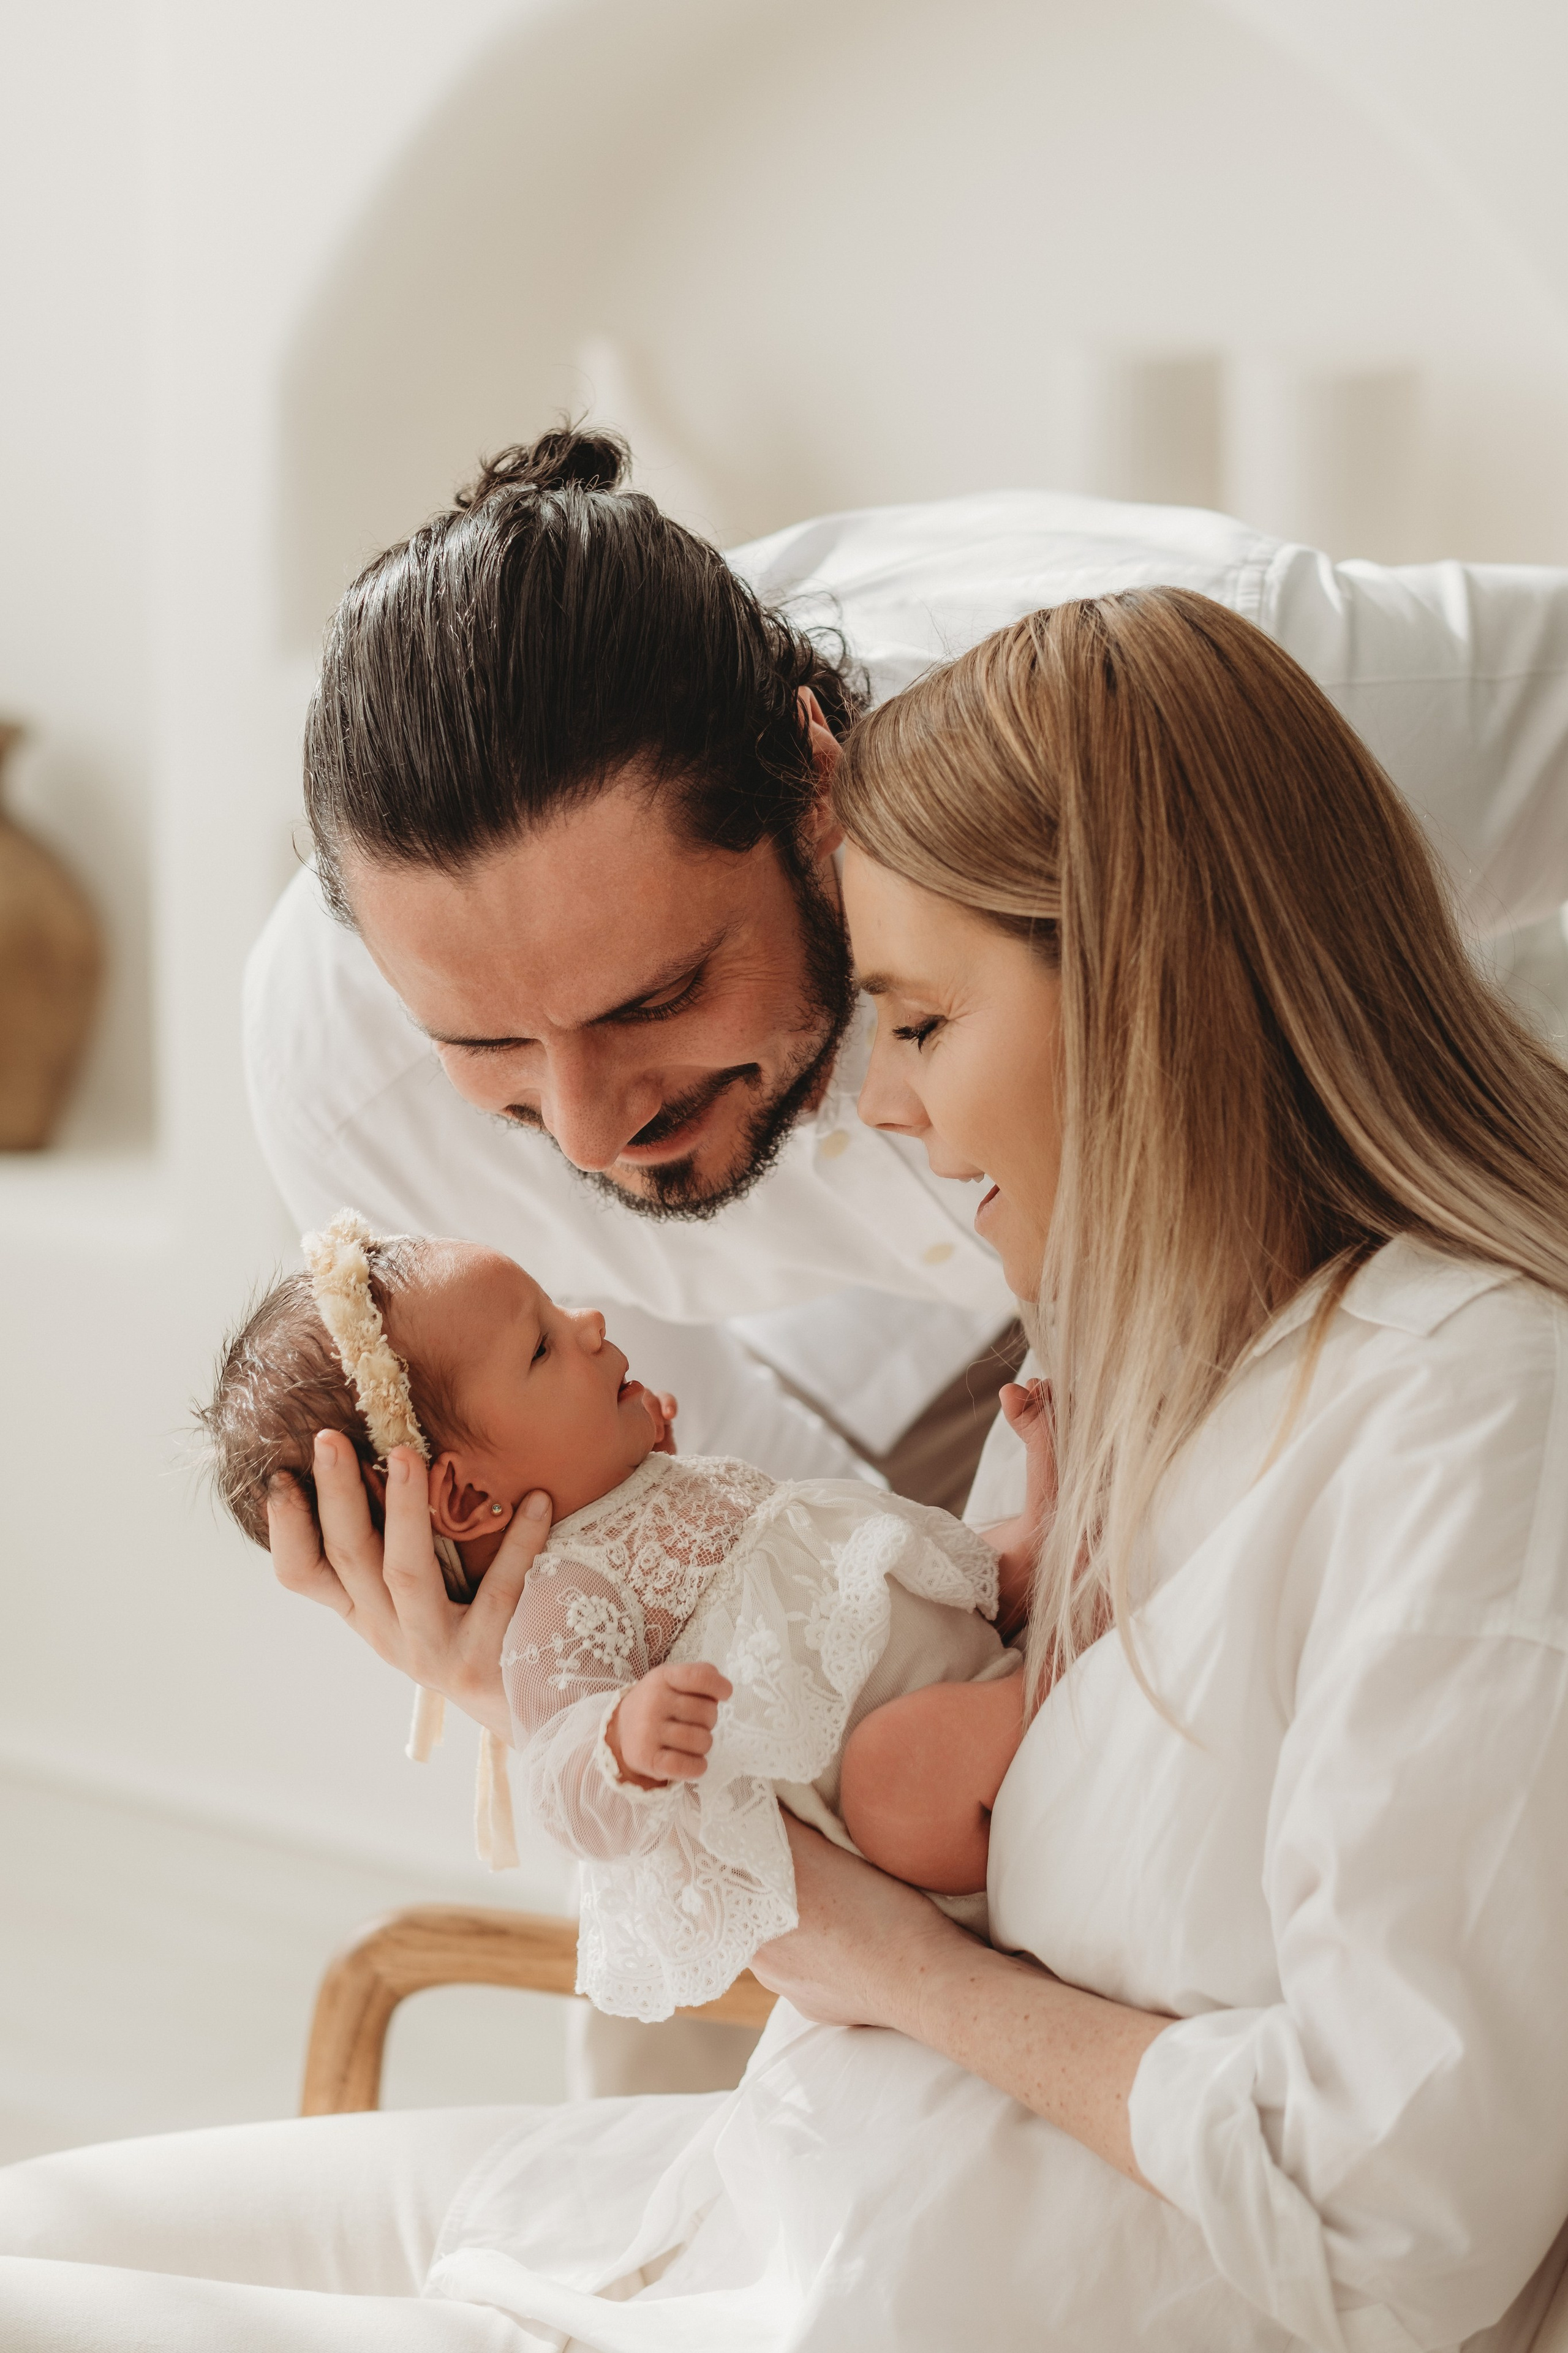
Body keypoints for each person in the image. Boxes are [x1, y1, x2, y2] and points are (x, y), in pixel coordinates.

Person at [8, 586, 1568, 2349]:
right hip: (778, 2196)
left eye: (921, 1022)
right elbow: (818, 1831)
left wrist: (919, 1979)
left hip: (900, 2286)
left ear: (1148, 992)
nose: (880, 1112)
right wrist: (539, 1689)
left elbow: (1400, 2223)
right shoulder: (1104, 1359)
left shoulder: (1470, 1420)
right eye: (500, 1062)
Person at [249, 425, 1568, 2093]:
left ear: (813, 785)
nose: (585, 1134)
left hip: (1357, 1170)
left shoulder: (1196, 710)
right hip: (913, 1373)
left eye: (653, 999)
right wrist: (560, 1672)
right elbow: (725, 1526)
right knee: (699, 2013)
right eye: (491, 1047)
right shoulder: (346, 1081)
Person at [202, 1212, 1034, 2017]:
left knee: (972, 1552)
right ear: (461, 1495)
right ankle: (1041, 1684)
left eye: (557, 1307)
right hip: (906, 1809)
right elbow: (558, 1776)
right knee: (899, 1769)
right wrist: (621, 1745)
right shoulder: (559, 1604)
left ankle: (1039, 1573)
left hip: (923, 1646)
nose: (589, 1322)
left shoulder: (639, 1481)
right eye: (541, 1343)